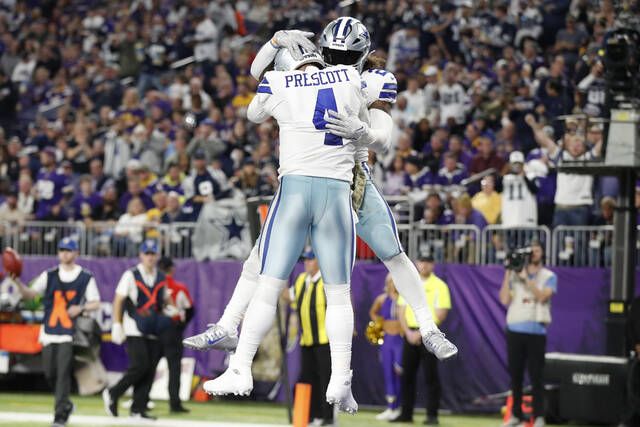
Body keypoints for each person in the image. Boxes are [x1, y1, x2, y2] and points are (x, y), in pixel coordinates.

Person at [184, 17, 456, 368]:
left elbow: (385, 139)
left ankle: (429, 326)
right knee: (260, 257)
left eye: (344, 55)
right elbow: (259, 77)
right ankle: (227, 325)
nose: (337, 60)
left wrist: (364, 133)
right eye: (332, 53)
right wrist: (277, 40)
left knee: (393, 253)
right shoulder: (312, 71)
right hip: (310, 178)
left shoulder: (372, 81)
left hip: (352, 180)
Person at [201, 45, 367, 413]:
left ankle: (240, 367)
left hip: (294, 191)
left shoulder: (279, 80)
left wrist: (272, 46)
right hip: (336, 193)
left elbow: (253, 109)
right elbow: (372, 122)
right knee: (340, 294)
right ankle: (341, 377)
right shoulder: (352, 77)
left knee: (268, 285)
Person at [13, 237, 101, 427]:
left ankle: (60, 415)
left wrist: (81, 308)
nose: (65, 253)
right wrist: (18, 282)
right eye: (62, 250)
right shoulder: (49, 274)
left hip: (69, 332)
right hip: (49, 330)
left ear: (76, 253)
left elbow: (96, 302)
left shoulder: (85, 276)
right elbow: (30, 295)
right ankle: (67, 404)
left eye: (68, 250)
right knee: (50, 373)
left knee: (62, 374)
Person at [103, 239, 173, 420]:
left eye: (153, 253)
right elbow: (119, 299)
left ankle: (138, 409)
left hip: (153, 327)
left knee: (150, 369)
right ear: (141, 255)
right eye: (147, 253)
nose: (150, 257)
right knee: (139, 365)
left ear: (157, 256)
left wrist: (171, 307)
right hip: (134, 326)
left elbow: (163, 301)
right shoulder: (131, 274)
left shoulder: (160, 277)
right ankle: (113, 392)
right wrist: (117, 324)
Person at [499, 241, 557, 427]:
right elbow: (504, 299)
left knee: (536, 375)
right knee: (515, 375)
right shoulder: (515, 275)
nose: (533, 253)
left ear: (542, 253)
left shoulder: (549, 276)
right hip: (515, 329)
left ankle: (539, 416)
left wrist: (525, 278)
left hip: (536, 331)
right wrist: (509, 271)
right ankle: (516, 415)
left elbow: (542, 297)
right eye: (530, 250)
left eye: (537, 250)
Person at [393, 255, 451, 425]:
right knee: (407, 376)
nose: (423, 265)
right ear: (417, 263)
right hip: (410, 335)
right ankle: (406, 414)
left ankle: (432, 415)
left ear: (433, 264)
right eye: (421, 261)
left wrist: (422, 332)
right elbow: (401, 310)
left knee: (431, 376)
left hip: (430, 335)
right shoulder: (410, 283)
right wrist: (408, 332)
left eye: (427, 261)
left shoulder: (440, 286)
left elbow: (441, 313)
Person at [287, 248, 334, 426]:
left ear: (319, 261)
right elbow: (288, 297)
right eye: (305, 259)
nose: (307, 262)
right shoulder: (301, 280)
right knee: (307, 378)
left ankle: (328, 417)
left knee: (325, 379)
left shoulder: (327, 281)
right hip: (306, 339)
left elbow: (343, 302)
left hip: (325, 339)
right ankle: (312, 415)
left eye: (311, 259)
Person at [157, 256, 194, 414]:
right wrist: (181, 325)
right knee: (174, 368)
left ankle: (140, 399)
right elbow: (190, 309)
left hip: (156, 329)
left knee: (149, 366)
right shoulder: (179, 287)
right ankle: (175, 404)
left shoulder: (154, 285)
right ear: (172, 269)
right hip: (173, 329)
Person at [368, 274, 403, 421]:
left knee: (400, 372)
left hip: (400, 340)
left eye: (394, 281)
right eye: (389, 281)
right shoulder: (382, 299)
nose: (392, 284)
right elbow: (372, 312)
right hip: (387, 339)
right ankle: (390, 407)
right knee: (388, 372)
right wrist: (380, 322)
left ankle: (400, 406)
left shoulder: (403, 299)